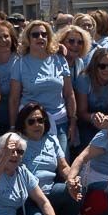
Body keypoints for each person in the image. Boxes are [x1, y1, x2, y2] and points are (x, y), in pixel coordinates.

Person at [14, 103, 82, 215]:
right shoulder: (16, 141)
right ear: (23, 124)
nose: (37, 124)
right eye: (31, 121)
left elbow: (63, 166)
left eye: (41, 120)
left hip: (50, 190)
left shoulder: (52, 140)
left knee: (77, 189)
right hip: (28, 197)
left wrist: (71, 180)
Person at [9, 20, 76, 148]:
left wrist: (73, 121)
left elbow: (69, 93)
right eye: (35, 35)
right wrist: (13, 127)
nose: (40, 37)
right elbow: (14, 99)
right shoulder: (20, 63)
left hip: (59, 121)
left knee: (63, 162)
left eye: (44, 34)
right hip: (30, 123)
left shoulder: (60, 59)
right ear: (28, 38)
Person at [75, 47, 108, 146]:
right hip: (88, 123)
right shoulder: (84, 80)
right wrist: (92, 116)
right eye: (102, 66)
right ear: (95, 67)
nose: (107, 70)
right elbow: (81, 113)